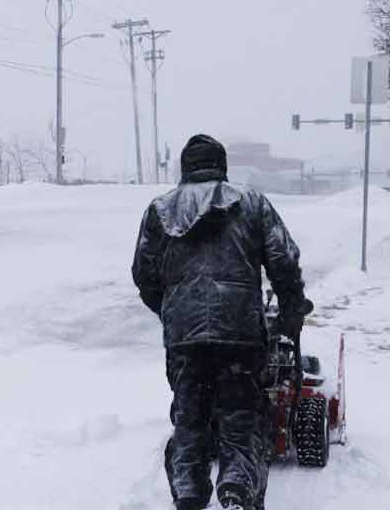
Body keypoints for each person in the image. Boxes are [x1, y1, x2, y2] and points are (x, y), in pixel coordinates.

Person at [131, 134, 312, 510]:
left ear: (185, 168)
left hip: (184, 339)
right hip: (241, 335)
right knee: (241, 419)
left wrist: (173, 310)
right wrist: (292, 309)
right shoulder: (252, 203)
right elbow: (283, 260)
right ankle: (236, 490)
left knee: (189, 420)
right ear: (222, 166)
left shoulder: (159, 210)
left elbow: (144, 274)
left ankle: (188, 493)